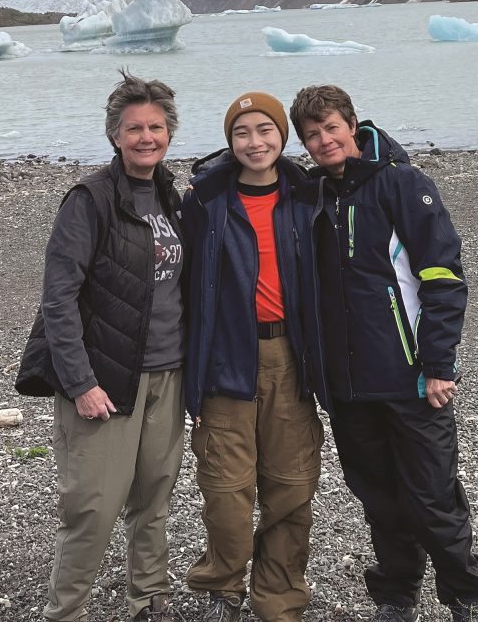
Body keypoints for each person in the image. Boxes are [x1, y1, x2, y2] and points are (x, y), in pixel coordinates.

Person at [288, 84, 478, 622]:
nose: (324, 141)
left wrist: (438, 365)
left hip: (410, 377)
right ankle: (395, 594)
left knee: (431, 495)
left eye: (331, 128)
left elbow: (443, 278)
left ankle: (464, 590)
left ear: (353, 126)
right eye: (312, 135)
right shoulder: (313, 196)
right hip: (349, 384)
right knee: (379, 497)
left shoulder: (402, 184)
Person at [15, 70, 186, 622]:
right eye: (134, 128)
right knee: (92, 508)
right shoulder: (88, 200)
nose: (146, 137)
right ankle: (66, 612)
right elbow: (58, 299)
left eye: (156, 127)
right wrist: (81, 382)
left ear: (169, 133)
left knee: (153, 500)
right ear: (115, 134)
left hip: (168, 373)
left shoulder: (169, 195)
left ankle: (149, 601)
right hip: (106, 380)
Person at [182, 92, 323, 622]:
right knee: (225, 488)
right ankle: (222, 580)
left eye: (265, 129)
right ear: (230, 141)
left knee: (291, 484)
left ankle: (279, 594)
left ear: (282, 135)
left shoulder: (310, 196)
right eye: (242, 132)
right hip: (225, 357)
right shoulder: (204, 202)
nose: (254, 142)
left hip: (291, 355)